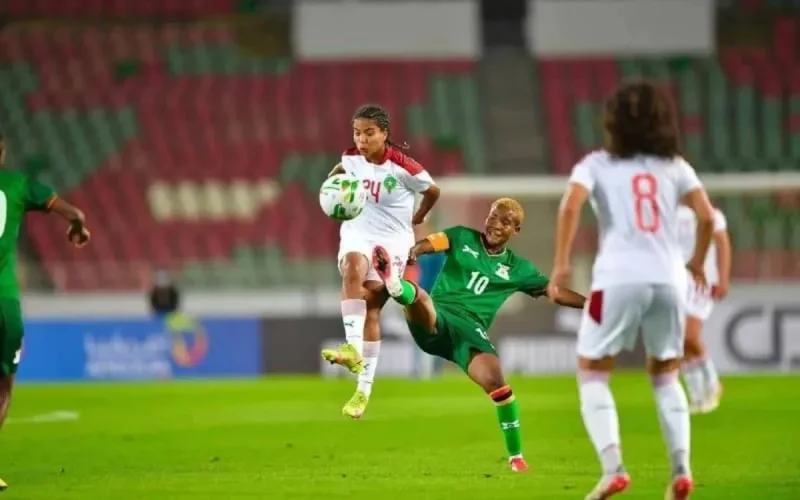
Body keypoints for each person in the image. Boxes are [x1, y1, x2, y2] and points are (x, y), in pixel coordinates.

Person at [549, 81, 716, 500]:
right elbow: (708, 217)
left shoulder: (597, 164)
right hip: (670, 279)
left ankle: (613, 469)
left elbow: (570, 205)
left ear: (613, 123)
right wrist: (697, 260)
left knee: (592, 371)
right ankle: (681, 470)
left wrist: (563, 262)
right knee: (665, 375)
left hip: (618, 277)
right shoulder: (676, 167)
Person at [371, 198, 586, 472]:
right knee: (421, 298)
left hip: (470, 333)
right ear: (487, 218)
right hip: (437, 318)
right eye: (494, 217)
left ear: (515, 230)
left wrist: (589, 304)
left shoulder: (518, 269)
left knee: (498, 384)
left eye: (505, 222)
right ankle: (396, 285)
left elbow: (554, 292)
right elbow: (434, 243)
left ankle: (516, 458)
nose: (496, 224)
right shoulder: (462, 236)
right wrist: (416, 250)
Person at [321, 105, 440, 419]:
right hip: (357, 233)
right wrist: (330, 193)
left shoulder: (404, 167)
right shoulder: (350, 159)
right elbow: (336, 175)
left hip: (393, 241)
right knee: (351, 267)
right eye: (357, 132)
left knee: (372, 305)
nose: (361, 139)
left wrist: (419, 217)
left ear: (385, 134)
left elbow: (433, 191)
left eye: (369, 132)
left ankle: (363, 391)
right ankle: (351, 347)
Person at [0, 134, 90, 491]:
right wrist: (77, 226)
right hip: (3, 305)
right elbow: (75, 213)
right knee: (4, 384)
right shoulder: (20, 185)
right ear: (2, 153)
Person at [677, 204, 730, 413]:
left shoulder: (709, 213)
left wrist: (723, 278)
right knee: (678, 340)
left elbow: (723, 242)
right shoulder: (666, 212)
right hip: (676, 281)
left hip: (702, 281)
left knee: (690, 335)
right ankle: (697, 396)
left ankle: (713, 381)